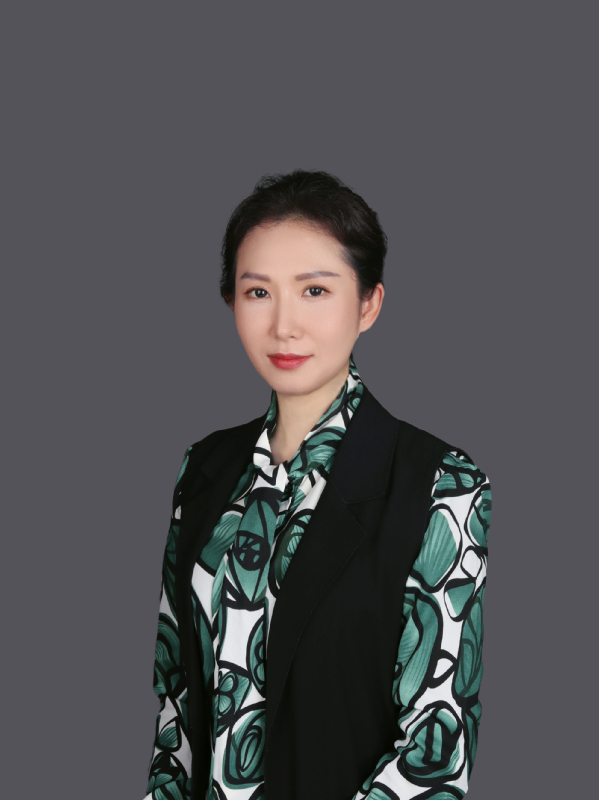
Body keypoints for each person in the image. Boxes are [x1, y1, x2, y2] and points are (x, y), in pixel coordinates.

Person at [143, 169, 492, 800]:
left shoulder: (440, 484)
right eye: (258, 292)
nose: (284, 325)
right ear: (231, 302)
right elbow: (176, 702)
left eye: (314, 290)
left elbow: (434, 755)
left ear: (369, 304)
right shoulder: (203, 468)